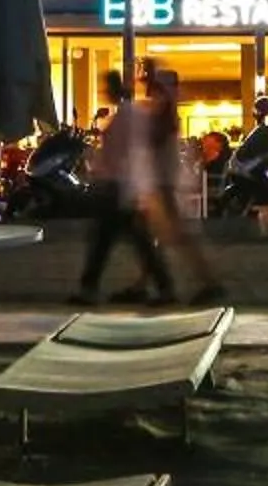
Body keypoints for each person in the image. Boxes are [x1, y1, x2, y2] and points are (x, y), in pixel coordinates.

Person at [71, 72, 172, 304]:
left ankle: (90, 288)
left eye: (106, 88)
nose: (103, 92)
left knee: (108, 240)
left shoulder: (125, 117)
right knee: (128, 241)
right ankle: (163, 287)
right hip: (123, 187)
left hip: (119, 188)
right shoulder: (130, 115)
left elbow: (127, 154)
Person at [137, 63, 224, 305]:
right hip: (162, 182)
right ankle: (145, 283)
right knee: (158, 236)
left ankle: (205, 283)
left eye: (154, 90)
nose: (150, 95)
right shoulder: (167, 114)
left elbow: (152, 144)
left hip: (163, 183)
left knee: (175, 236)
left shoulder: (164, 116)